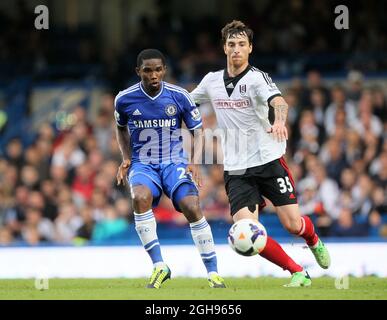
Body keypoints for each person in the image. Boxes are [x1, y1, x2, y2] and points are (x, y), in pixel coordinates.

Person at [190, 20, 331, 287]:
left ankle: (312, 239)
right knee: (246, 232)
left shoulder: (257, 78)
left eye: (242, 44)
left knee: (292, 225)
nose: (236, 50)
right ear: (224, 48)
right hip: (237, 169)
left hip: (268, 160)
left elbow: (279, 101)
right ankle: (297, 272)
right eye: (231, 44)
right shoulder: (211, 81)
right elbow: (186, 101)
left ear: (250, 48)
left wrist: (279, 120)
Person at [114, 49, 225, 289]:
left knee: (192, 206)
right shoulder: (124, 99)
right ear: (138, 72)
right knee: (139, 197)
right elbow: (121, 127)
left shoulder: (179, 96)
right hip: (143, 163)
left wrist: (194, 161)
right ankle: (159, 265)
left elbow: (197, 130)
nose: (153, 75)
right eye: (147, 70)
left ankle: (214, 272)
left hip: (174, 161)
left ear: (164, 70)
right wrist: (126, 157)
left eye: (157, 70)